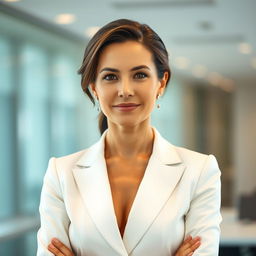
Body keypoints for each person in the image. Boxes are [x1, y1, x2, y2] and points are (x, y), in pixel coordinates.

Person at [37, 19, 222, 256]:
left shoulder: (200, 171)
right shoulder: (60, 173)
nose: (125, 90)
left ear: (161, 82)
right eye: (110, 77)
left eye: (140, 75)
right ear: (94, 87)